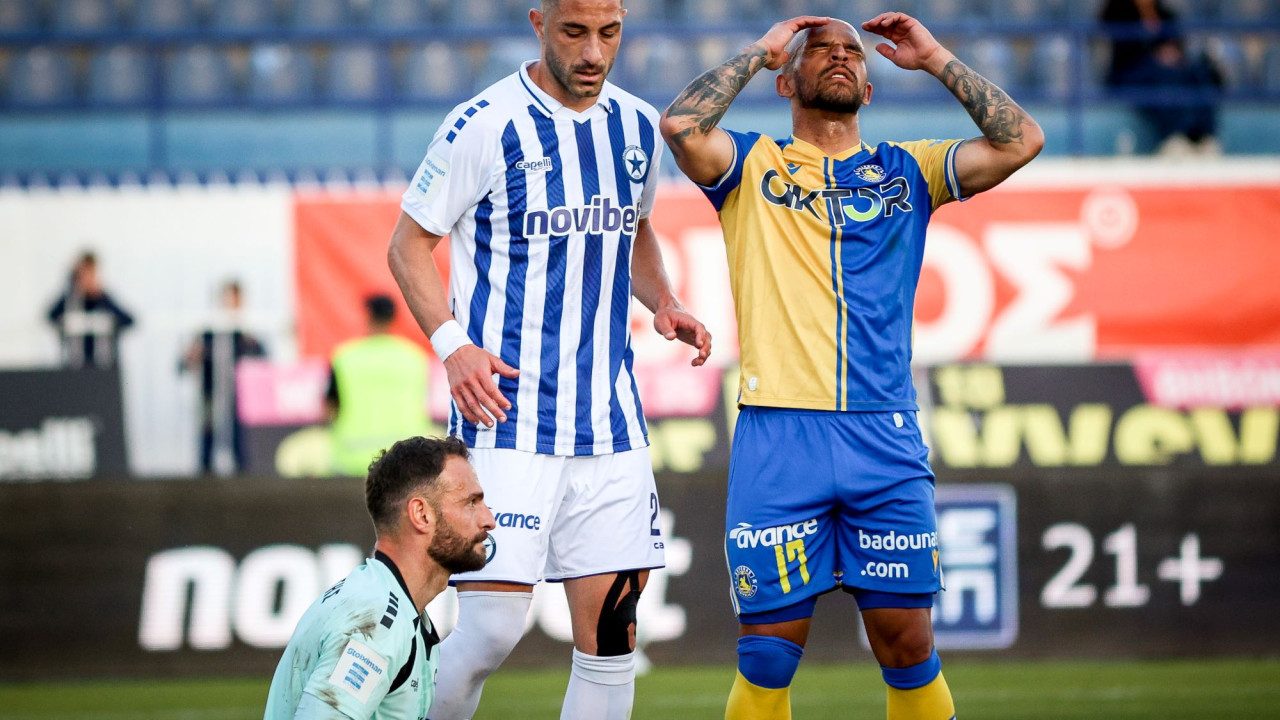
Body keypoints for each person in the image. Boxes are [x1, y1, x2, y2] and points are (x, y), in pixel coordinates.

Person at [659, 12, 1042, 720]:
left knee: (907, 643)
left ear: (868, 89)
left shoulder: (911, 169)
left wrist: (935, 57)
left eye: (853, 53)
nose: (840, 56)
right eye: (820, 50)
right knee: (767, 654)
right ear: (786, 82)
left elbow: (1022, 140)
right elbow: (681, 126)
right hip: (780, 433)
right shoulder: (750, 165)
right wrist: (761, 49)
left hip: (883, 434)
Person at [387, 1, 711, 717]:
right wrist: (453, 346)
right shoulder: (483, 125)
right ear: (539, 23)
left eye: (609, 32)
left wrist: (663, 300)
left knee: (613, 637)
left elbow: (635, 230)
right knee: (491, 633)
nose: (594, 52)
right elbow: (407, 246)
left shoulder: (637, 126)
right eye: (574, 32)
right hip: (507, 419)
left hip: (610, 425)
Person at [264, 436, 497, 719]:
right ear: (421, 515)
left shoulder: (392, 607)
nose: (489, 520)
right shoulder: (378, 620)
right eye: (471, 502)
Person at [327, 294, 434, 478]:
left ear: (368, 316)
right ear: (393, 318)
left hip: (353, 459)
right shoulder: (414, 357)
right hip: (407, 458)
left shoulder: (346, 357)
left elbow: (330, 407)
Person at [1100, 0, 1223, 155]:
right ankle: (1175, 136)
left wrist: (1171, 52)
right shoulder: (1118, 9)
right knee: (1165, 77)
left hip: (1166, 68)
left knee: (1198, 72)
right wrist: (1155, 55)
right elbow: (1115, 36)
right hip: (1132, 71)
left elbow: (1177, 43)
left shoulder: (1164, 12)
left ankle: (1203, 136)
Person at [180, 280, 266, 475]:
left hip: (238, 396)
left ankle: (241, 476)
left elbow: (261, 359)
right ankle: (205, 476)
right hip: (210, 393)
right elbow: (186, 362)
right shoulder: (208, 332)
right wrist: (193, 356)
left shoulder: (246, 334)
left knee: (239, 439)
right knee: (208, 434)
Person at [47, 251, 135, 369]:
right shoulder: (69, 301)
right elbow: (51, 317)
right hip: (75, 366)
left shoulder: (105, 300)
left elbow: (129, 320)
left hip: (104, 367)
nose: (88, 279)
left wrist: (102, 297)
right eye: (85, 274)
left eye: (91, 274)